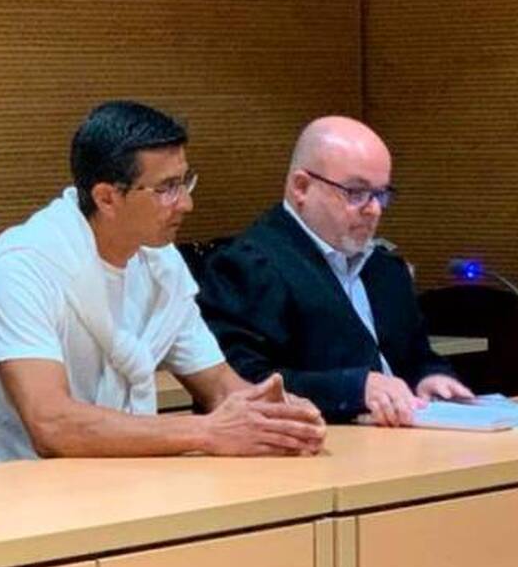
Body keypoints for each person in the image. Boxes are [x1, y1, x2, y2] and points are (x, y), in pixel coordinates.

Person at [0, 101, 325, 464]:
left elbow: (221, 386)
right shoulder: (24, 268)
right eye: (167, 188)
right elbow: (51, 424)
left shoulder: (160, 264)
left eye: (185, 182)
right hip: (19, 494)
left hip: (125, 481)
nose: (186, 203)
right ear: (107, 198)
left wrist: (280, 419)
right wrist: (206, 431)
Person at [198, 116, 473, 426]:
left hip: (408, 435)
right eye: (356, 192)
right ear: (301, 187)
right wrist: (354, 389)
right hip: (316, 441)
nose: (374, 209)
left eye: (381, 194)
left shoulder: (385, 267)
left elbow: (416, 356)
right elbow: (243, 383)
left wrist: (430, 377)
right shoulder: (248, 265)